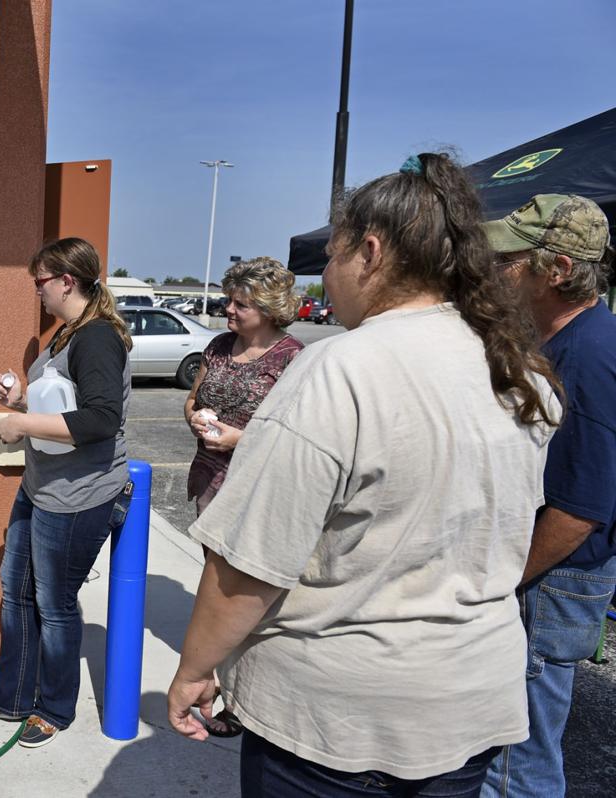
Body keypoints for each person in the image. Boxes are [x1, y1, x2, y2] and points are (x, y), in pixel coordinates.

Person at [165, 153, 562, 797]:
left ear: (370, 252)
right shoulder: (517, 371)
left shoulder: (338, 368)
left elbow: (249, 565)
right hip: (468, 701)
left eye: (332, 256)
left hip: (338, 718)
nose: (325, 274)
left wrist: (194, 669)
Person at [0, 237, 132, 748]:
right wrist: (23, 398)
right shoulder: (68, 333)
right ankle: (11, 694)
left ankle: (54, 707)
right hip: (42, 487)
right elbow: (68, 400)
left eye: (41, 282)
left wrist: (21, 422)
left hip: (78, 496)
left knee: (54, 606)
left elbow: (100, 419)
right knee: (16, 594)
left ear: (66, 282)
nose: (37, 290)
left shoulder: (97, 337)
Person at [479, 195, 616, 798]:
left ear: (555, 270)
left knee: (517, 763)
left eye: (509, 258)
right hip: (549, 575)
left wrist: (502, 581)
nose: (495, 270)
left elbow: (580, 509)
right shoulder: (569, 341)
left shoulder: (587, 356)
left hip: (549, 580)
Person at [184, 257, 304, 517]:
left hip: (257, 485)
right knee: (209, 557)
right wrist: (194, 418)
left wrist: (240, 440)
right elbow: (192, 399)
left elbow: (300, 434)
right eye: (228, 300)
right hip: (209, 478)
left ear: (269, 310)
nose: (228, 309)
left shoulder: (292, 358)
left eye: (240, 305)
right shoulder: (218, 346)